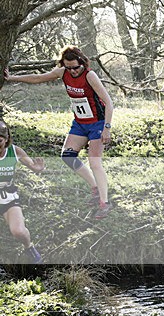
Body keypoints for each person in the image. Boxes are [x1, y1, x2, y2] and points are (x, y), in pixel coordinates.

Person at [4, 46, 114, 219]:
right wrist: (11, 78)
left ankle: (105, 203)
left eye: (75, 67)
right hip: (80, 123)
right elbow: (38, 78)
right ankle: (95, 188)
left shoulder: (89, 75)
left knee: (95, 162)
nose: (73, 71)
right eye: (68, 67)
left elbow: (108, 102)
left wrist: (107, 128)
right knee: (68, 156)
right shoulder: (63, 72)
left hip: (97, 123)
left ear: (82, 63)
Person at [0, 121, 45, 263]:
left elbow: (32, 165)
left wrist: (37, 168)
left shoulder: (15, 151)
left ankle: (29, 247)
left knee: (18, 231)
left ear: (6, 139)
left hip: (8, 195)